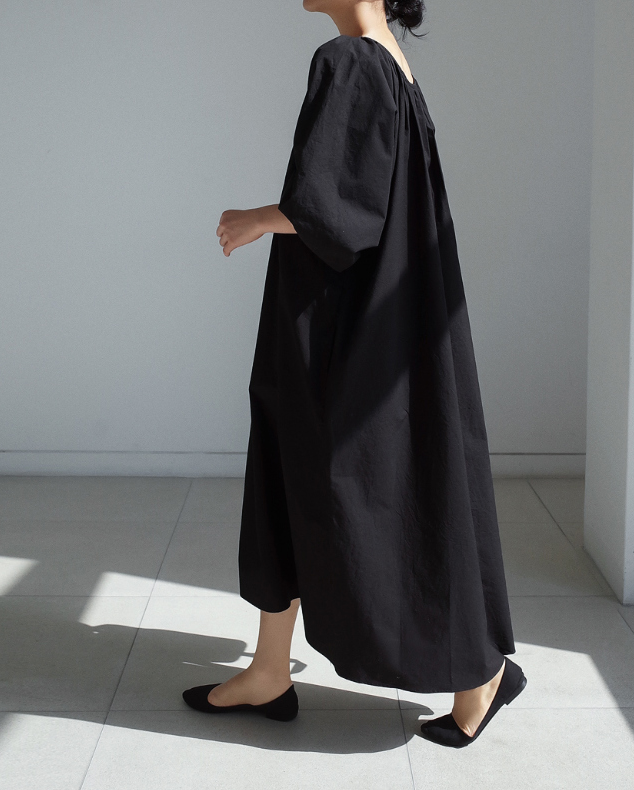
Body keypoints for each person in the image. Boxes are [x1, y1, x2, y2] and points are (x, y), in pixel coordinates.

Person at [183, 0, 526, 748]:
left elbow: (338, 209)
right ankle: (269, 668)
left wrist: (254, 218)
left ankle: (478, 673)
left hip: (336, 324)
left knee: (317, 478)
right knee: (300, 476)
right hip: (373, 316)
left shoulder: (347, 61)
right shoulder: (394, 64)